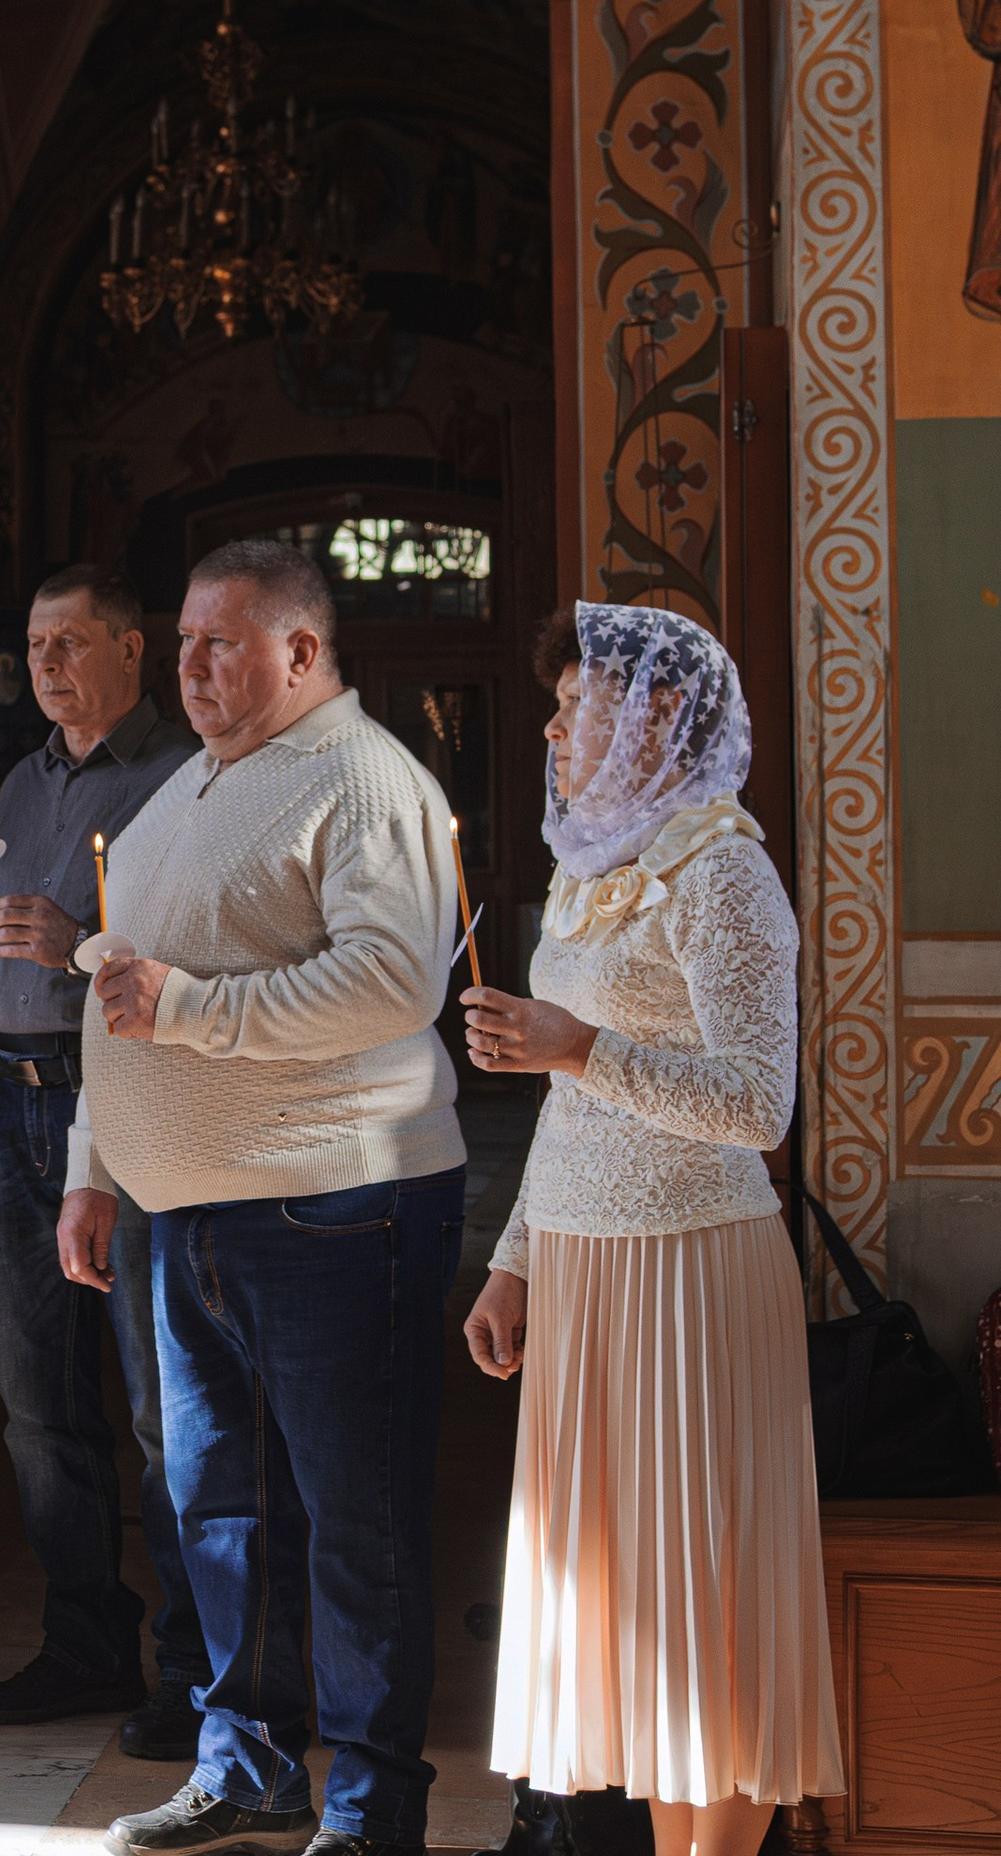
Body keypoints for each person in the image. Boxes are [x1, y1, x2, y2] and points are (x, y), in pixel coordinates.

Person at [61, 538, 465, 1856]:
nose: (184, 668)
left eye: (215, 644)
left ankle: (368, 1806)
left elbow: (392, 984)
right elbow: (126, 981)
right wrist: (93, 1164)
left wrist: (194, 1012)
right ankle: (246, 1767)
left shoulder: (363, 778)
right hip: (191, 1215)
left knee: (353, 1524)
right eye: (180, 641)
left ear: (302, 652)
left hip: (335, 1205)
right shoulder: (194, 783)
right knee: (215, 1508)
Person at [462, 605, 840, 1856]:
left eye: (576, 705)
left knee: (705, 1619)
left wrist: (581, 1042)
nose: (555, 726)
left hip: (691, 1270)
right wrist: (515, 1258)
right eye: (557, 704)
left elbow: (756, 1104)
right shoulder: (585, 866)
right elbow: (571, 1102)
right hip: (581, 1271)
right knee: (628, 1617)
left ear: (661, 713)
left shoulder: (724, 870)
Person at [0, 565, 206, 1741]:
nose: (45, 663)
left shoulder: (183, 778)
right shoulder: (24, 786)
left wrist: (80, 937)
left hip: (129, 1108)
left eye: (70, 642)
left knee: (159, 1404)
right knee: (38, 1407)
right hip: (11, 1108)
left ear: (132, 651)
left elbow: (201, 954)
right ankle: (82, 1641)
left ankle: (195, 1671)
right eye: (36, 643)